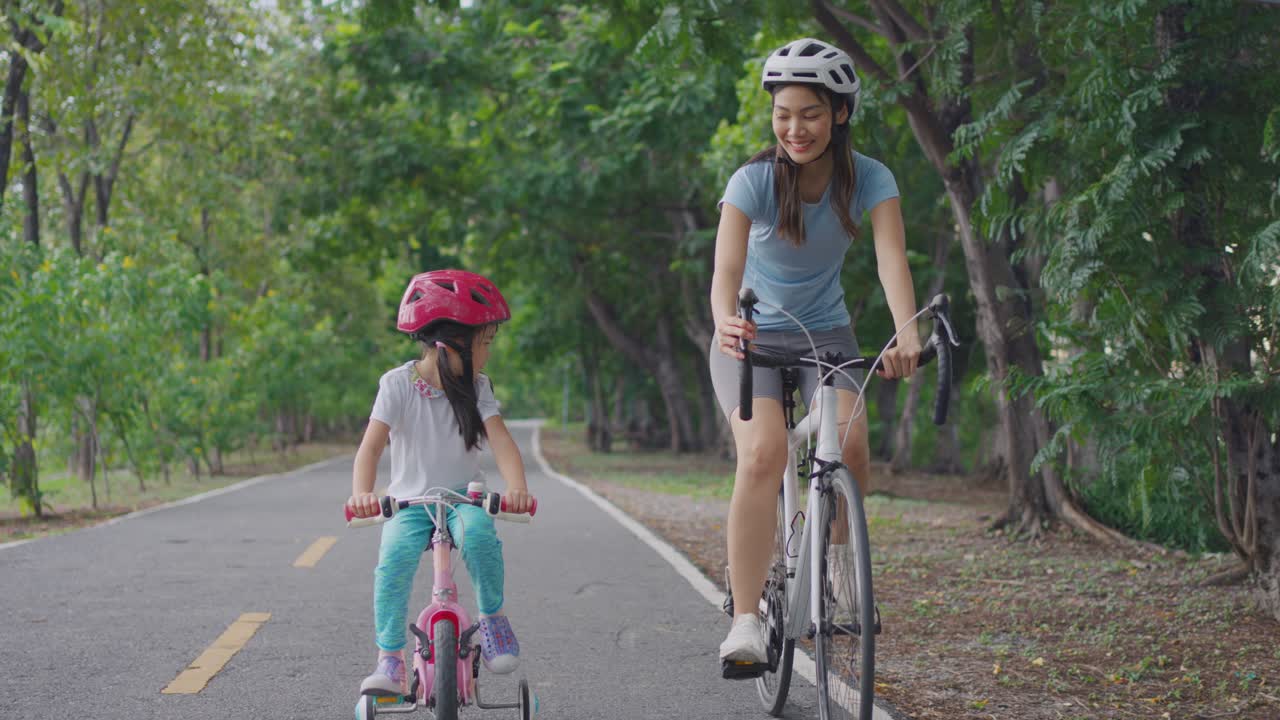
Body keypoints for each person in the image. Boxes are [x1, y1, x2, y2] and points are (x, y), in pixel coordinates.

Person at [709, 38, 922, 665]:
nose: (794, 127)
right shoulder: (752, 181)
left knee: (851, 444)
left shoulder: (870, 179)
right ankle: (746, 619)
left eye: (810, 113)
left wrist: (904, 329)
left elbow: (890, 259)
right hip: (748, 336)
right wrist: (724, 319)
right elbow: (724, 271)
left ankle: (833, 569)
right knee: (763, 454)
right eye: (783, 113)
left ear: (841, 114)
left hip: (826, 335)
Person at [346, 269, 535, 696]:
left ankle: (492, 621)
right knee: (392, 561)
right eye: (485, 342)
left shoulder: (477, 387)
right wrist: (362, 493)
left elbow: (501, 441)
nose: (488, 353)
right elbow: (371, 448)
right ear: (452, 346)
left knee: (482, 535)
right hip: (409, 503)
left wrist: (518, 486)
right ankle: (391, 659)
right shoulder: (397, 385)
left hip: (463, 499)